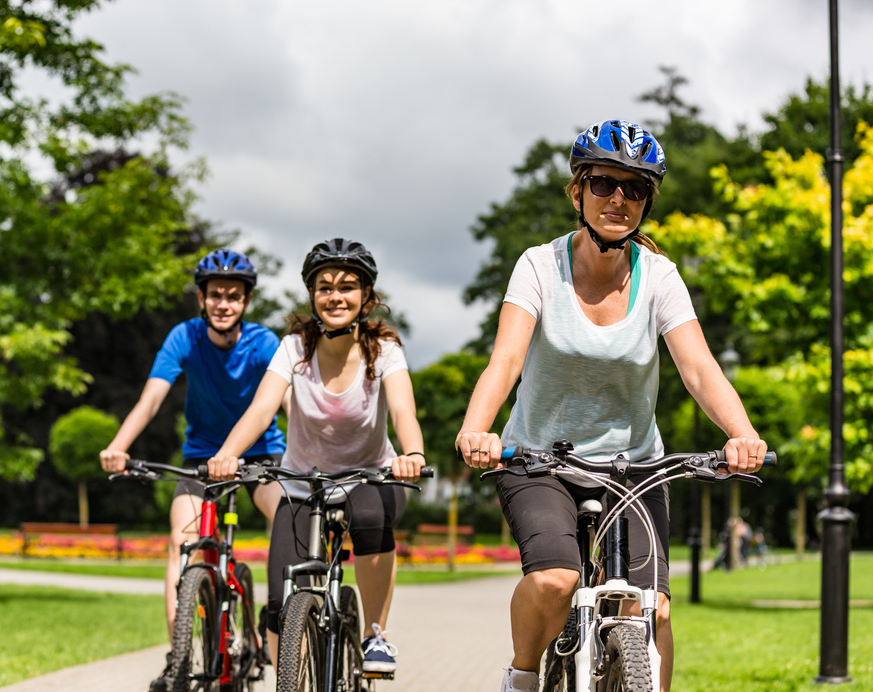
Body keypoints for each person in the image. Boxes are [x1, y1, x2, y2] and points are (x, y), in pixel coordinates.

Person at [454, 120, 769, 692]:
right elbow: (504, 360)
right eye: (603, 183)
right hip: (539, 461)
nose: (618, 198)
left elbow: (699, 368)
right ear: (578, 193)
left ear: (647, 200)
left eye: (635, 188)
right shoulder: (538, 266)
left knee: (652, 610)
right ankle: (522, 676)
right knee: (555, 580)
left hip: (634, 467)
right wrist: (477, 428)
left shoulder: (661, 278)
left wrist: (741, 433)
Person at [207, 238, 425, 675]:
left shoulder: (383, 351)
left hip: (373, 477)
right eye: (324, 287)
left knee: (367, 519)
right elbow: (262, 408)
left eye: (347, 286)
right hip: (302, 482)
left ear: (366, 296)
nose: (335, 296)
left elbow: (402, 410)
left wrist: (413, 452)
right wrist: (227, 454)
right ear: (312, 295)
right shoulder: (294, 348)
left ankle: (374, 634)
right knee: (278, 601)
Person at [98, 248, 287, 692]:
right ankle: (177, 658)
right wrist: (118, 446)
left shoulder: (264, 343)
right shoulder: (183, 337)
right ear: (201, 298)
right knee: (181, 544)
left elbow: (291, 403)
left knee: (289, 520)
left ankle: (277, 612)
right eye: (216, 294)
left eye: (234, 296)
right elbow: (150, 399)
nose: (224, 303)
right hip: (201, 459)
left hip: (262, 456)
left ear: (246, 302)